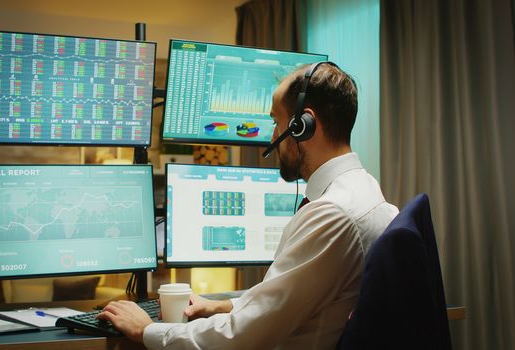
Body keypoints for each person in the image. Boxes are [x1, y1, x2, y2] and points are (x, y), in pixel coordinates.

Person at [97, 63, 399, 349]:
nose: (272, 136)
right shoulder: (366, 190)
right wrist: (225, 305)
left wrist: (146, 330)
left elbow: (240, 336)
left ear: (303, 126)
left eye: (275, 122)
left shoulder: (332, 214)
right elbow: (290, 299)